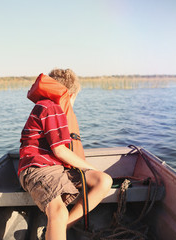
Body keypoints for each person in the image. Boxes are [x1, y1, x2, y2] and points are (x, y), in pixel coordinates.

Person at [18, 69, 112, 240]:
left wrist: (93, 171)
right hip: (38, 169)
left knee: (103, 180)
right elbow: (60, 151)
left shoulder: (53, 107)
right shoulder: (50, 107)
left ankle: (62, 228)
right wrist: (91, 167)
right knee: (58, 212)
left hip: (57, 169)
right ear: (70, 95)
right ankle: (59, 225)